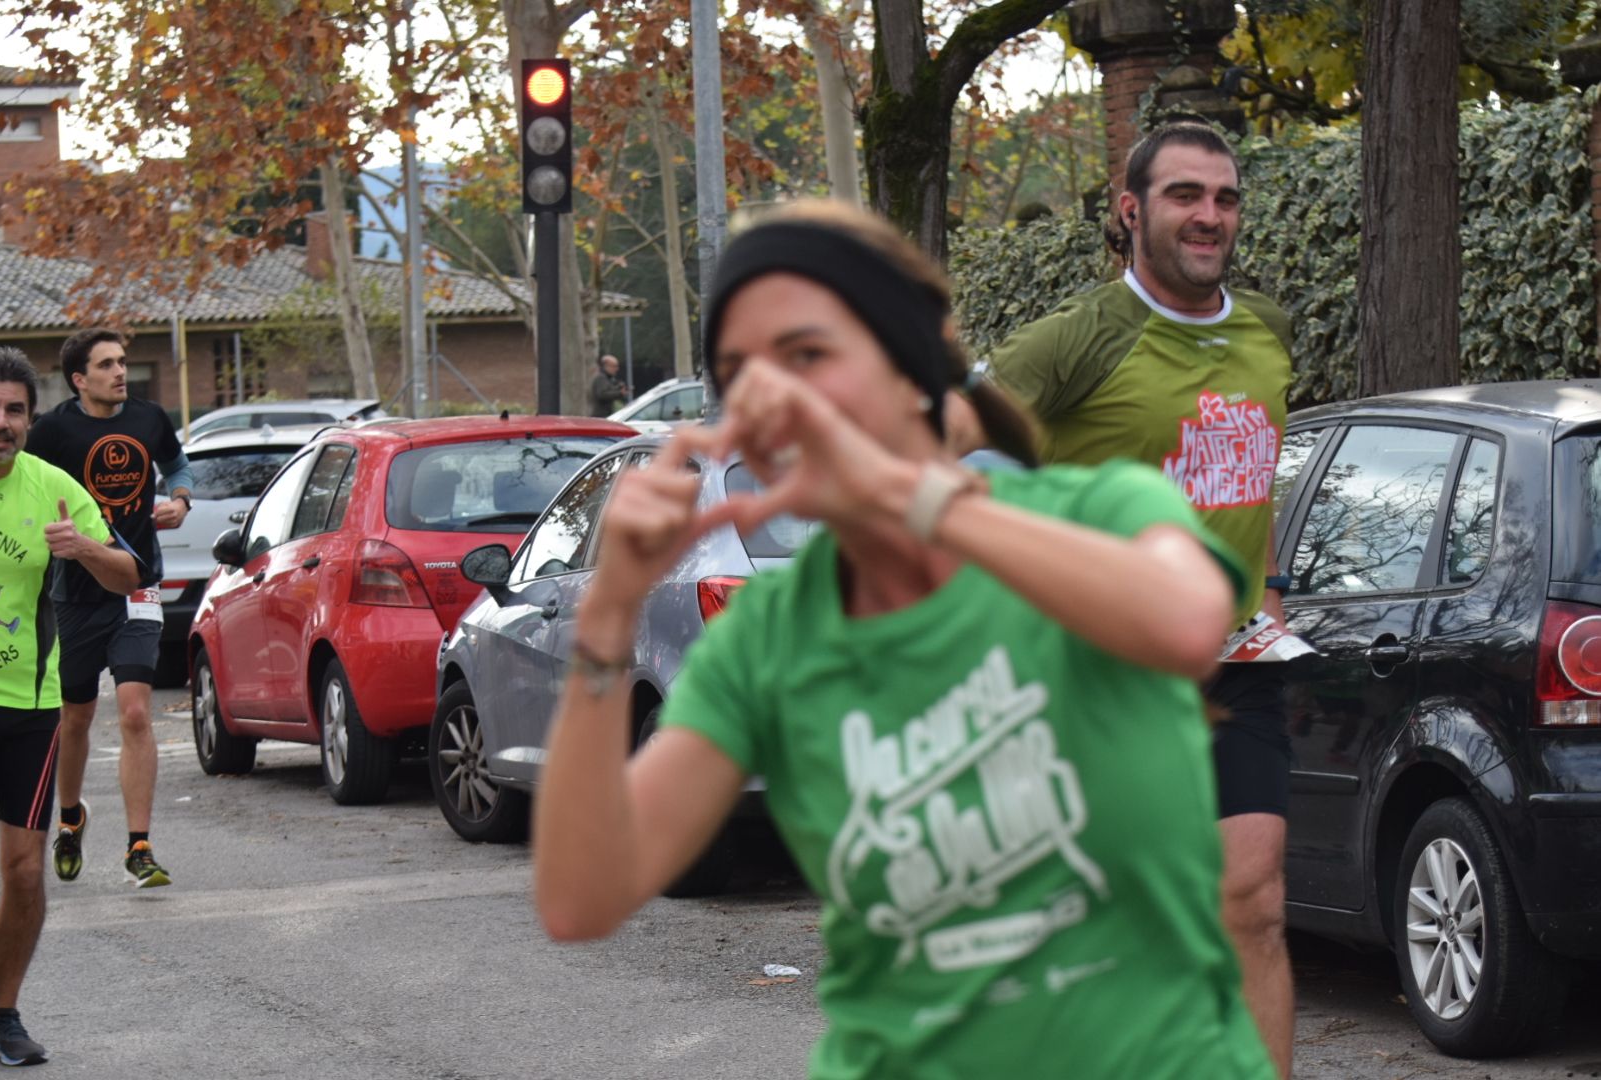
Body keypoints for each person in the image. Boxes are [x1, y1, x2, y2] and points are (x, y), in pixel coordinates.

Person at [531, 201, 1275, 1078]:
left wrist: (906, 497)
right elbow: (583, 897)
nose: (771, 396)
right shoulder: (770, 637)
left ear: (910, 371)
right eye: (739, 373)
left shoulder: (1097, 511)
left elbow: (1184, 625)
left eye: (807, 355)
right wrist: (611, 610)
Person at [987, 120, 1296, 1078]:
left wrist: (1273, 584)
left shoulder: (1269, 332)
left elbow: (1252, 478)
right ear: (1131, 210)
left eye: (1225, 197)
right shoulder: (1075, 342)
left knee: (1251, 901)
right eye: (1184, 196)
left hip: (1237, 657)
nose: (1210, 216)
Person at [0, 346, 140, 1066]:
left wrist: (82, 547)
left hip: (28, 706)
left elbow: (127, 572)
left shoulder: (53, 487)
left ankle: (4, 1013)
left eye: (13, 410)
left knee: (21, 869)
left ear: (30, 418)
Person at [23, 329, 194, 890]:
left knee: (136, 713)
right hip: (72, 595)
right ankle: (70, 819)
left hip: (137, 585)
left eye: (123, 362)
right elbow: (23, 490)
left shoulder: (148, 417)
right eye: (107, 364)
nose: (121, 371)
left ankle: (138, 846)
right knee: (75, 718)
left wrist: (180, 500)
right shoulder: (51, 431)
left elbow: (179, 466)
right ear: (80, 379)